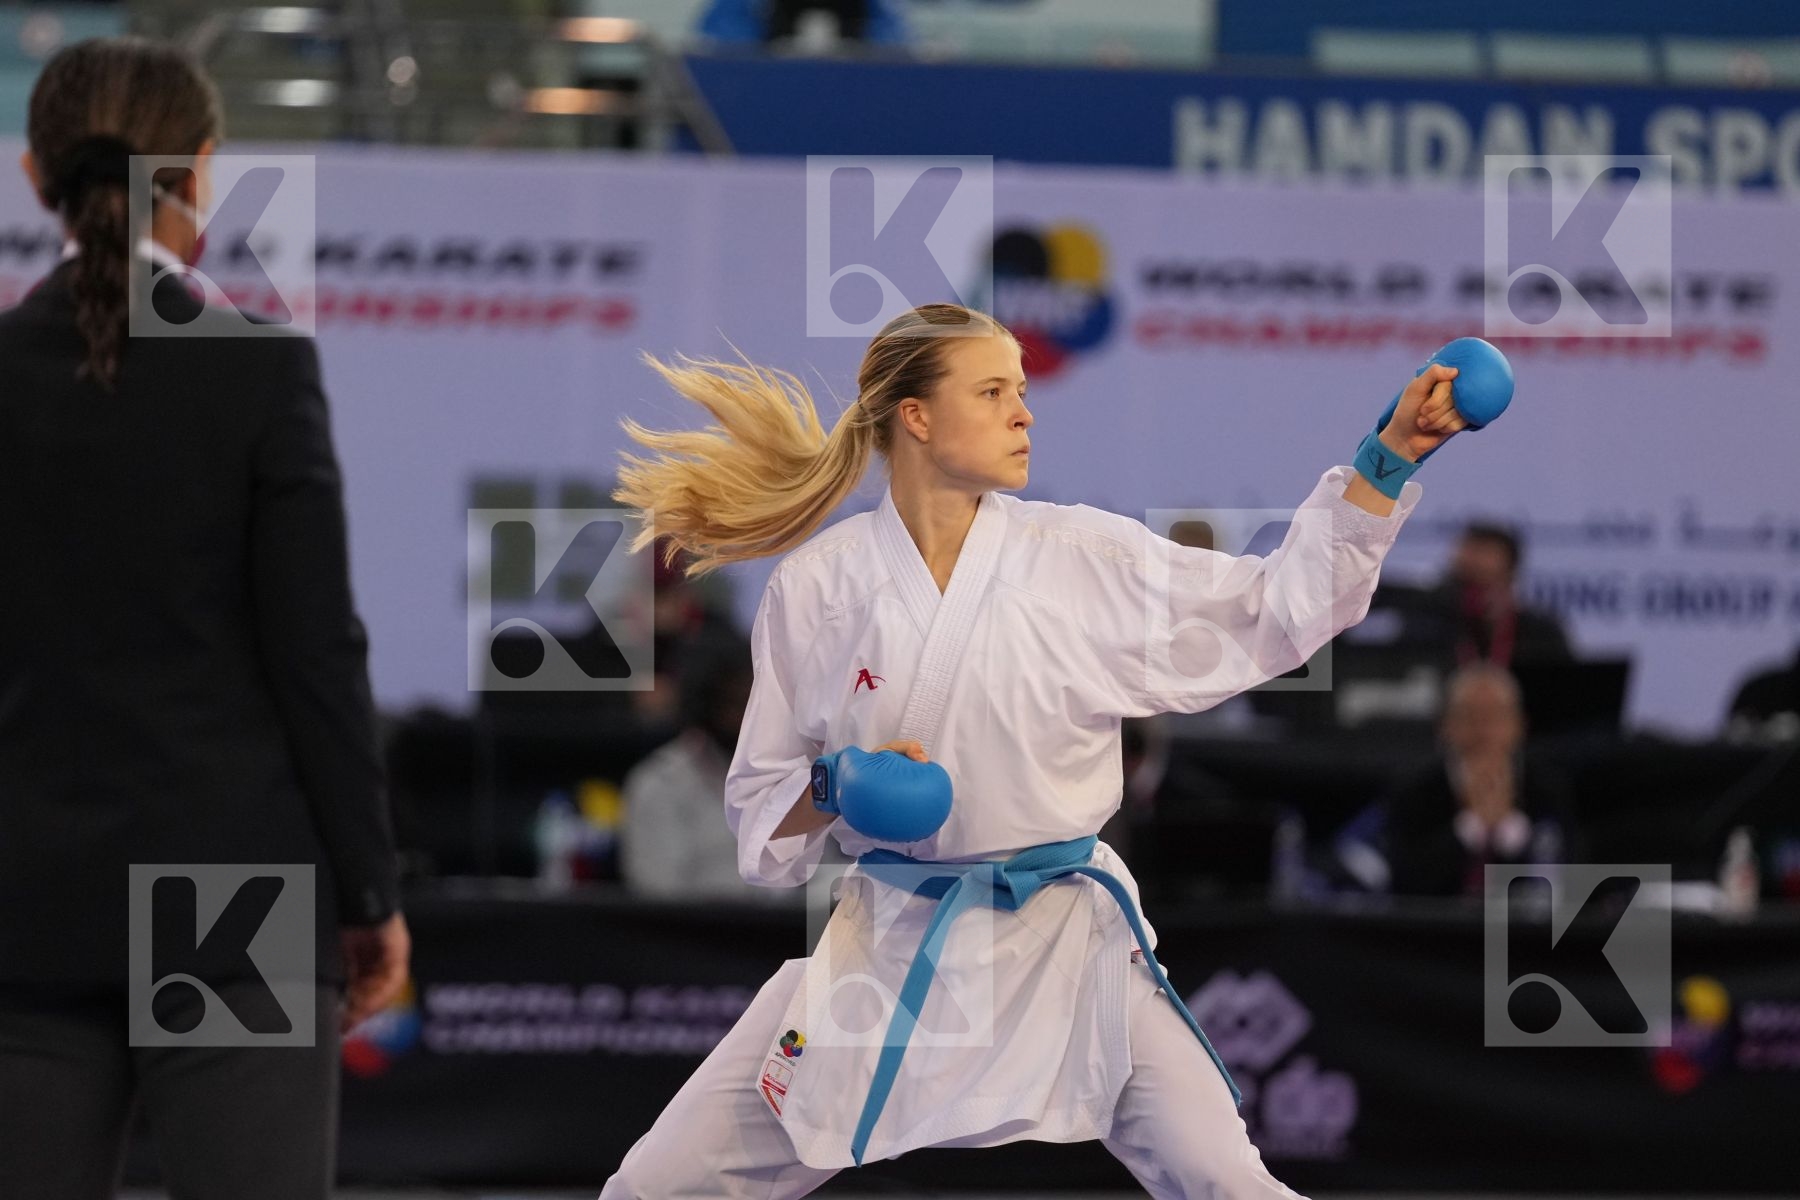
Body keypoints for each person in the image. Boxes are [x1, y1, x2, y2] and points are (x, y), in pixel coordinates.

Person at [601, 303, 1468, 1197]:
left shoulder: (1078, 559)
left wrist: (1388, 456)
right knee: (652, 1189)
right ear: (918, 418)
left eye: (1021, 390)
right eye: (992, 391)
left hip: (1069, 945)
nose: (1025, 412)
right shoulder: (817, 587)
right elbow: (761, 826)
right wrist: (834, 785)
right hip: (890, 952)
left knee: (1228, 1183)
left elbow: (1277, 610)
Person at [0, 37, 407, 1200]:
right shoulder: (261, 371)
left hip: (25, 895)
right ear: (203, 171)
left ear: (39, 175)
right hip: (240, 895)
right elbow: (317, 654)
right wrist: (371, 896)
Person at [620, 625, 798, 903]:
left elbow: (830, 876)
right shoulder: (659, 783)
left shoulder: (800, 773)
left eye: (758, 704)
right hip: (695, 940)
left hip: (793, 937)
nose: (749, 719)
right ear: (705, 705)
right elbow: (656, 895)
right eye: (736, 705)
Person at [1377, 664, 1582, 897]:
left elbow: (1565, 881)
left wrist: (1511, 832)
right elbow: (1403, 883)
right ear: (1445, 726)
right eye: (1469, 716)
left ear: (1520, 725)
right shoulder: (1413, 790)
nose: (1483, 730)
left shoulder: (1547, 788)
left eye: (1495, 716)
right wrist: (1469, 829)